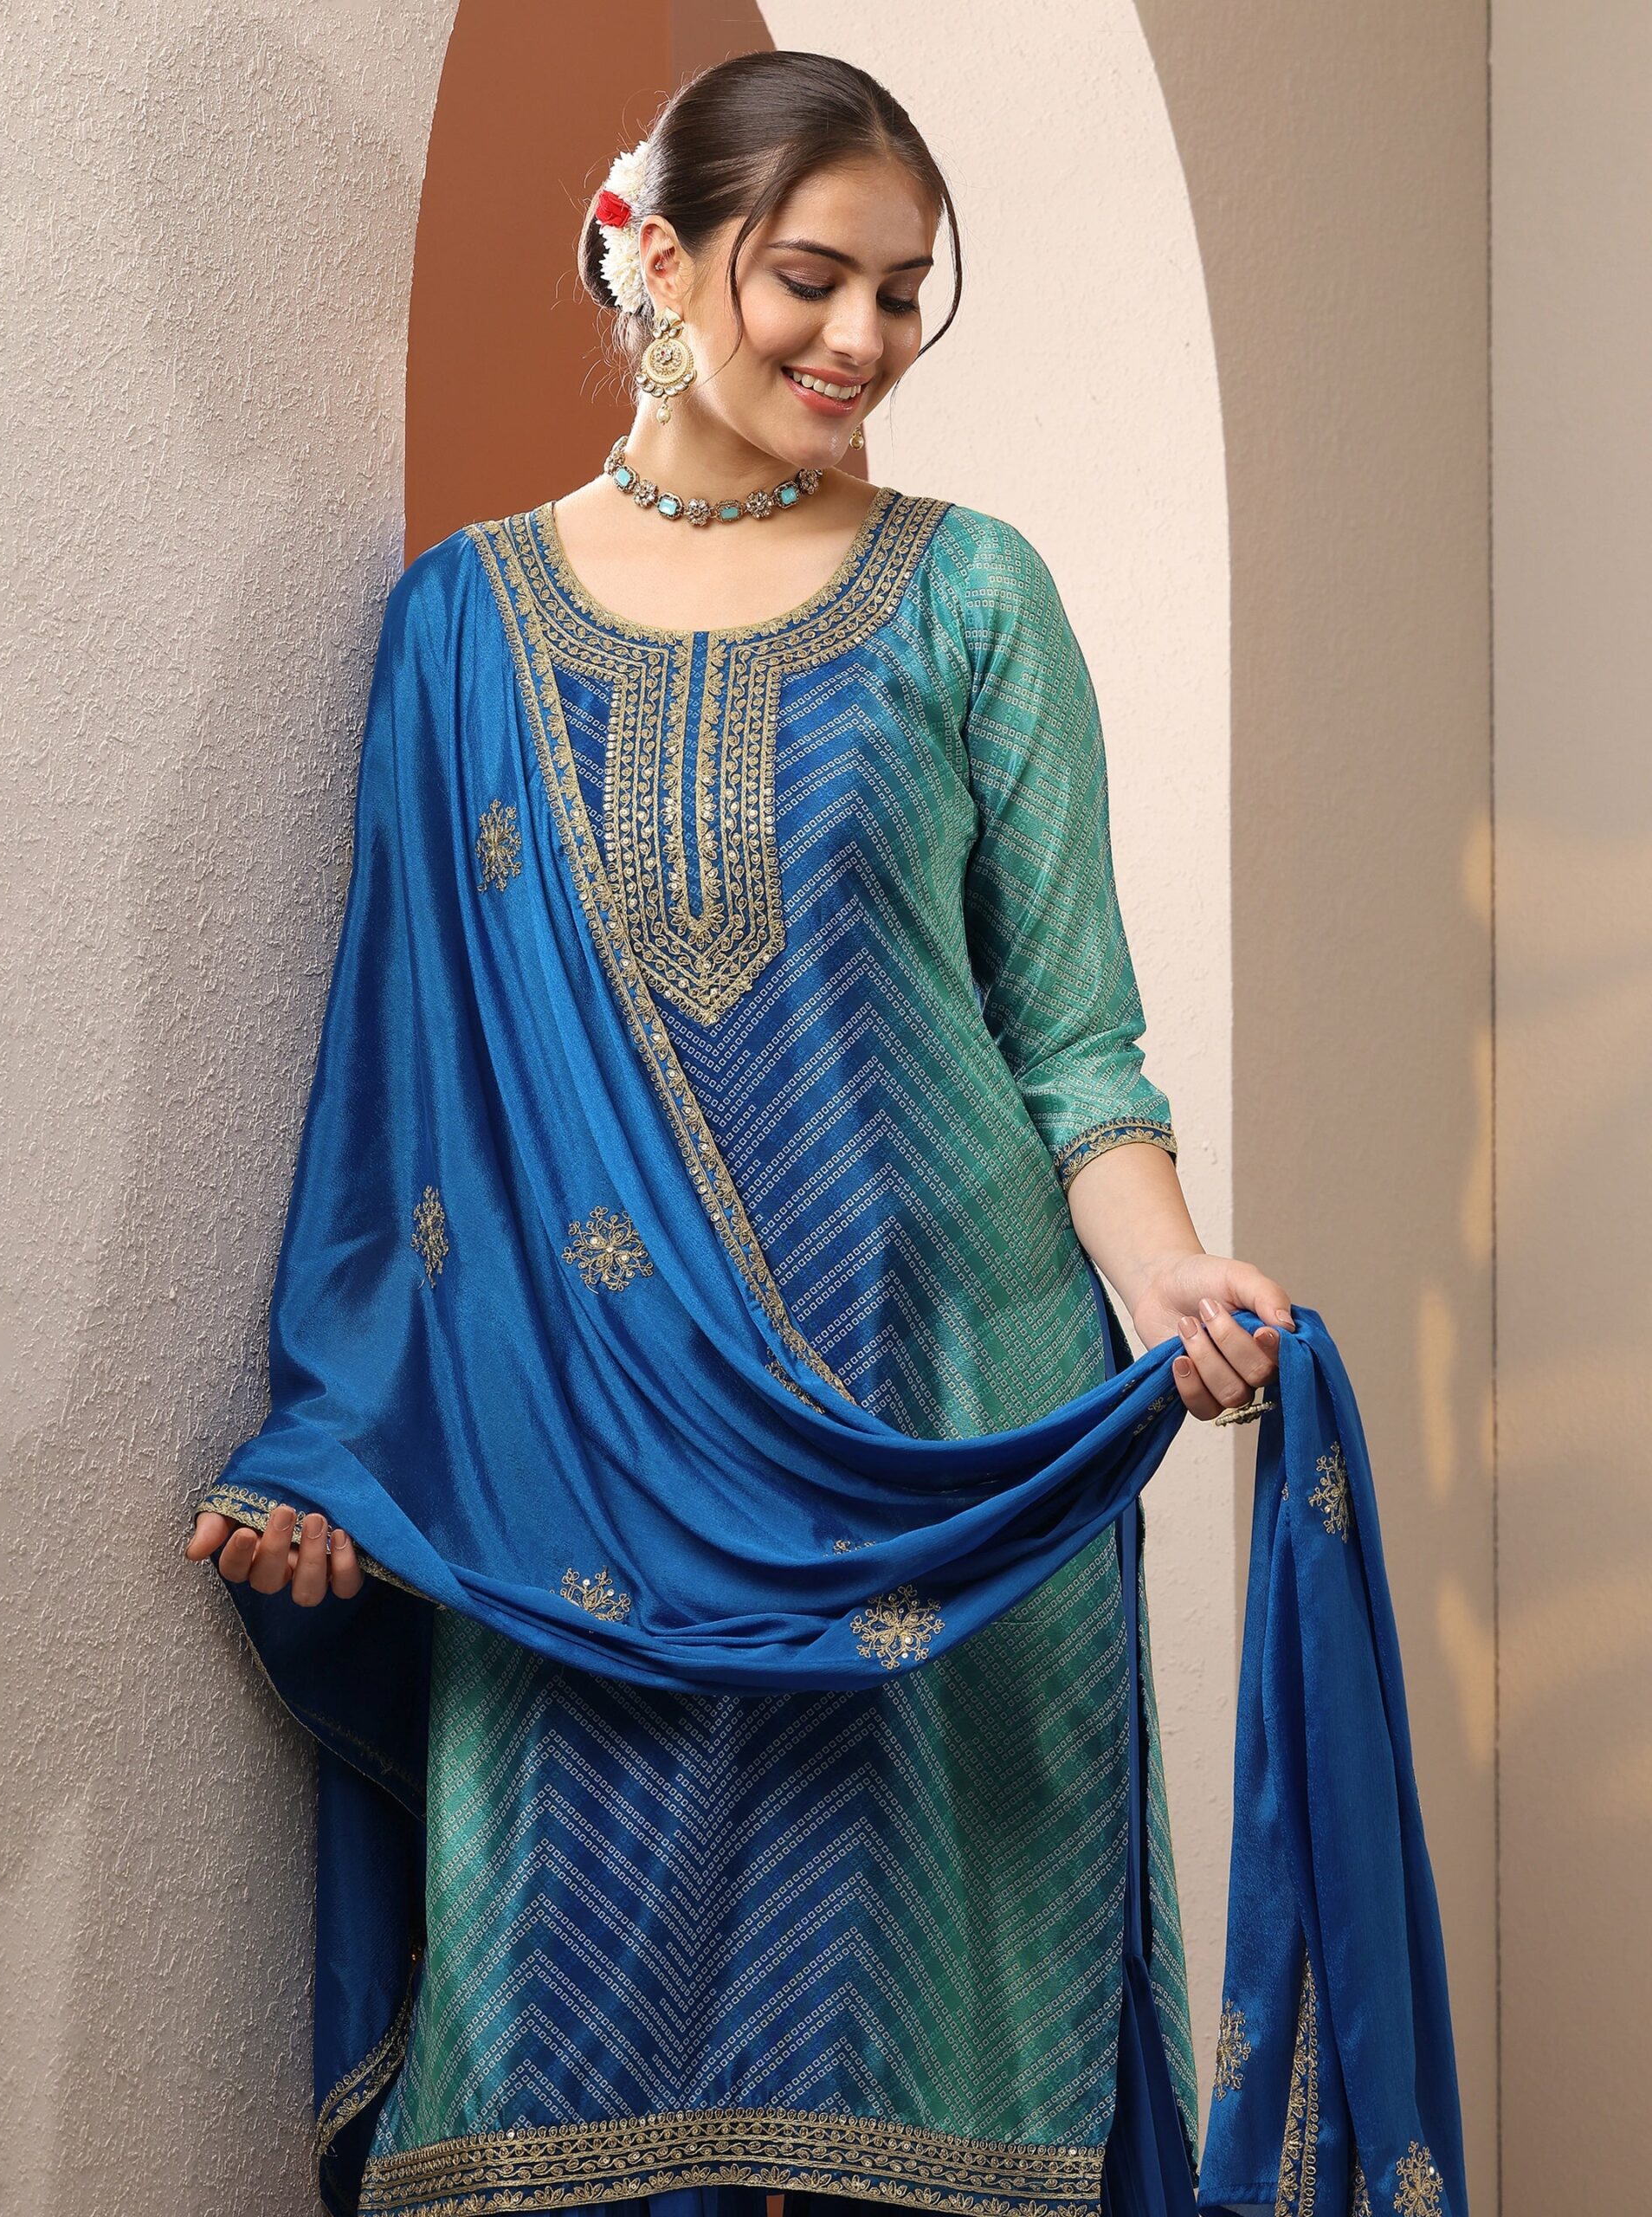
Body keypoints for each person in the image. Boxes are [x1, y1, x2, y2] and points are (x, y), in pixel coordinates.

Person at [186, 49, 1297, 2217]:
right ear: (669, 258)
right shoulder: (462, 626)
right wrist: (328, 1440)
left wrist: (1169, 1271)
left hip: (941, 1451)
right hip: (582, 1476)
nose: (861, 339)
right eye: (811, 278)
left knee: (936, 2095)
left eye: (903, 291)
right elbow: (396, 1096)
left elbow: (1078, 1048)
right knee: (560, 2068)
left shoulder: (974, 594)